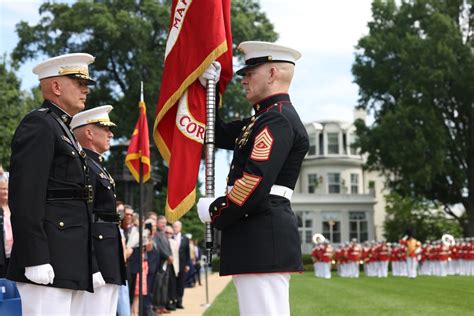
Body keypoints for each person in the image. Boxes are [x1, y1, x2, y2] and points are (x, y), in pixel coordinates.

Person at [197, 41, 308, 315]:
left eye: (250, 73)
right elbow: (217, 132)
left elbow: (253, 182)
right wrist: (209, 92)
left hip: (261, 231)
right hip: (257, 232)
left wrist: (214, 210)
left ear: (272, 74)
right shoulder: (261, 119)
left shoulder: (276, 120)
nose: (244, 80)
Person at [7, 53, 97, 315]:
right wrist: (35, 256)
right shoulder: (40, 123)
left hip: (68, 256)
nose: (85, 89)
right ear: (56, 87)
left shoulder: (63, 128)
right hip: (49, 255)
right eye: (78, 82)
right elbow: (25, 194)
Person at [71, 105, 127, 315]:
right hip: (98, 256)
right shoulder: (83, 166)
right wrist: (91, 263)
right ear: (88, 132)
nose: (111, 134)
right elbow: (82, 219)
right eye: (105, 128)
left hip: (109, 254)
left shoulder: (97, 166)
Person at [172, 220, 190, 309]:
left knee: (181, 284)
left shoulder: (185, 239)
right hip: (172, 265)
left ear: (180, 228)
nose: (175, 228)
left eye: (176, 227)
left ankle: (179, 301)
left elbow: (188, 253)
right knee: (173, 284)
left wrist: (187, 264)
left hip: (182, 265)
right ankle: (173, 301)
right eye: (174, 226)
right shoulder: (170, 237)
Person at [0, 171, 13, 277]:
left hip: (14, 254)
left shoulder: (13, 208)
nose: (5, 192)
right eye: (2, 189)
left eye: (7, 189)